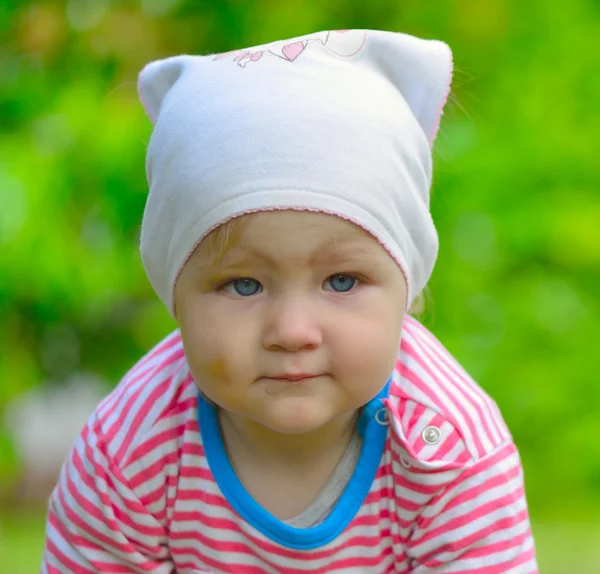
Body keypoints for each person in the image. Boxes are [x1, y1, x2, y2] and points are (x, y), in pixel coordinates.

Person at [41, 29, 538, 573]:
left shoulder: (449, 453)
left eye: (342, 281)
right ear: (173, 293)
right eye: (244, 285)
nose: (293, 330)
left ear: (408, 287)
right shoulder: (129, 453)